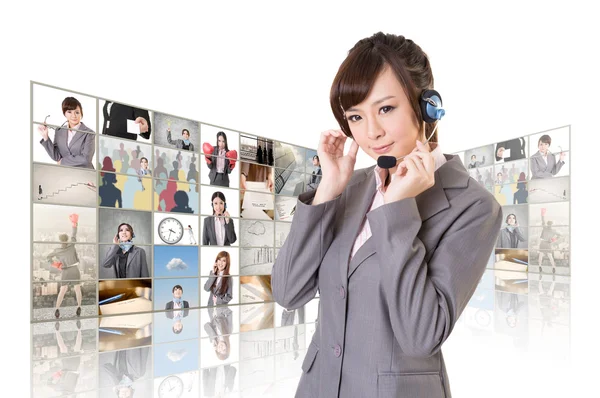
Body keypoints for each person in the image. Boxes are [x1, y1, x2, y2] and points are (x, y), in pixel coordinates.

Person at [271, 32, 502, 398]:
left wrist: (396, 210)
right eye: (356, 117)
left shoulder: (473, 207)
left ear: (427, 107)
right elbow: (288, 292)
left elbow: (420, 335)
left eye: (386, 108)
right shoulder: (350, 187)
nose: (371, 132)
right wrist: (329, 189)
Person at [38, 97, 96, 168]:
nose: (74, 116)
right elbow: (57, 156)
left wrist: (63, 162)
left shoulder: (89, 133)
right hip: (66, 173)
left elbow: (86, 159)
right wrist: (45, 137)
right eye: (69, 112)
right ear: (64, 113)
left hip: (85, 173)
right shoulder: (59, 131)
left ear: (81, 113)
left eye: (77, 112)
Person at [45, 213, 83, 318]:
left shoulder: (57, 250)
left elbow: (48, 257)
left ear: (60, 241)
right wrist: (74, 223)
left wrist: (55, 264)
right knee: (77, 289)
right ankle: (79, 307)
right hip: (74, 269)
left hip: (65, 271)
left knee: (62, 291)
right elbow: (74, 233)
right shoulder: (71, 245)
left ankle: (57, 309)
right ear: (67, 239)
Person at [538, 207, 560, 273]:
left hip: (546, 243)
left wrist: (553, 240)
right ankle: (543, 267)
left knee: (544, 256)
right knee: (544, 256)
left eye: (550, 224)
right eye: (549, 224)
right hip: (545, 243)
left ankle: (550, 267)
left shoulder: (551, 230)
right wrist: (553, 239)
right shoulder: (551, 229)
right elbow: (543, 221)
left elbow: (559, 236)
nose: (549, 225)